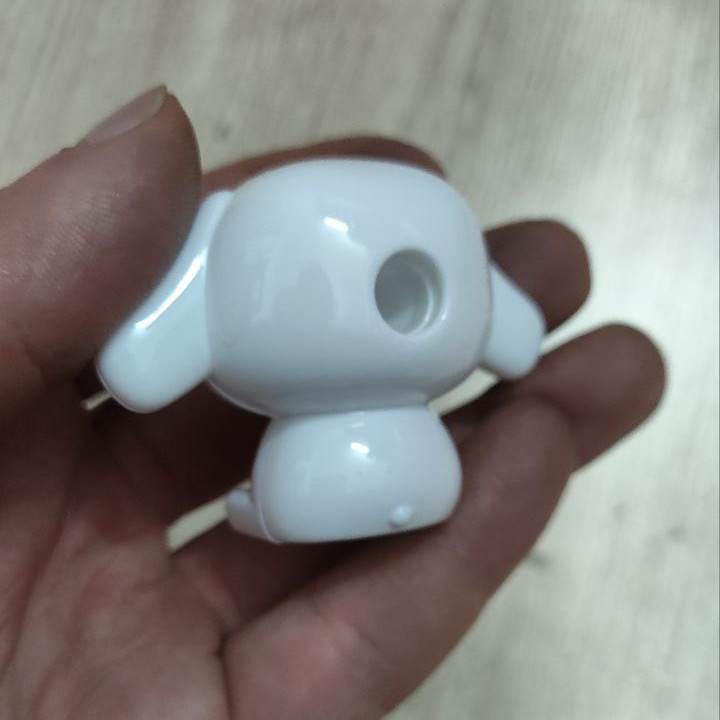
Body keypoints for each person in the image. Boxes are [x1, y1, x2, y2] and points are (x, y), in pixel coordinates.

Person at [0, 87, 664, 719]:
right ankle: (298, 508)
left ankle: (284, 509)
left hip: (329, 484)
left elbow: (144, 364)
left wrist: (155, 351)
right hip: (414, 477)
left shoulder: (249, 221)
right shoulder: (410, 212)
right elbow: (508, 331)